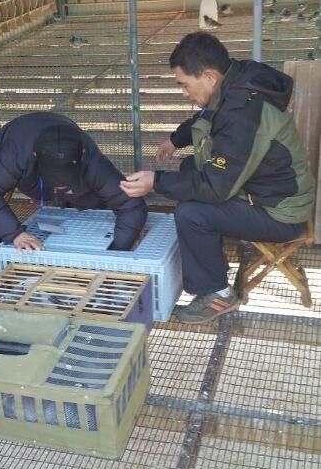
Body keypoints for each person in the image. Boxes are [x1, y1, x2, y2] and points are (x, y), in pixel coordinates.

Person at [120, 31, 315, 324]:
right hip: (266, 191)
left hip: (281, 213)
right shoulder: (236, 84)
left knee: (192, 213)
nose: (183, 93)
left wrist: (155, 181)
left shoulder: (242, 114)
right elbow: (205, 118)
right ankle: (212, 262)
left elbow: (215, 188)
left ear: (209, 77)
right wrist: (175, 139)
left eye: (184, 84)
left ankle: (218, 294)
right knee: (190, 169)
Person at [0, 112, 148, 253]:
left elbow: (131, 204)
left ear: (82, 154)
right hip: (17, 136)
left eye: (66, 178)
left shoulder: (93, 162)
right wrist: (15, 234)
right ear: (35, 155)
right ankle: (1, 257)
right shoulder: (13, 155)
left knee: (93, 203)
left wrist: (116, 251)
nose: (60, 185)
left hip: (63, 143)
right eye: (54, 176)